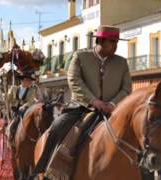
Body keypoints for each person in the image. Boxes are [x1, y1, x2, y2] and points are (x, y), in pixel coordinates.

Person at [32, 25, 132, 176]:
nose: (116, 46)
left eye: (117, 42)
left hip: (113, 110)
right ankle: (49, 169)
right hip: (81, 108)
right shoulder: (80, 56)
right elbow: (74, 80)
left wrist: (112, 104)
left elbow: (126, 88)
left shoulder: (122, 63)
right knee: (57, 126)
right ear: (100, 41)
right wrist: (94, 101)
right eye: (112, 42)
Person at [7, 70, 36, 139]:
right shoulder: (14, 88)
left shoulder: (32, 90)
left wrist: (24, 106)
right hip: (15, 109)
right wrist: (7, 96)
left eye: (30, 80)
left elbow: (30, 101)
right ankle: (11, 135)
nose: (29, 82)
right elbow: (8, 100)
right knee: (14, 122)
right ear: (22, 80)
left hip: (25, 109)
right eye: (27, 80)